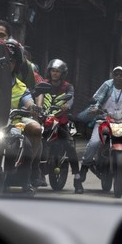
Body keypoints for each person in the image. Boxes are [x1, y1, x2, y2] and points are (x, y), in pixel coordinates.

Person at [77, 65, 122, 182]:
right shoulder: (107, 85)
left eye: (121, 75)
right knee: (94, 142)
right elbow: (98, 99)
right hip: (104, 119)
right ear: (113, 76)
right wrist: (95, 108)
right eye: (116, 74)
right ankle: (84, 167)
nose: (118, 77)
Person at [36, 58, 83, 193]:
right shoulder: (44, 84)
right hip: (45, 119)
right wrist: (38, 107)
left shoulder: (68, 86)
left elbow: (71, 97)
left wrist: (67, 105)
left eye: (57, 71)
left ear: (62, 73)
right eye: (52, 71)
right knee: (36, 142)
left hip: (61, 121)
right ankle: (35, 173)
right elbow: (38, 94)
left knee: (69, 146)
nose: (54, 73)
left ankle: (77, 179)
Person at [5, 39, 45, 189]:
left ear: (16, 64)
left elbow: (28, 101)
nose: (8, 63)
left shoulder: (21, 86)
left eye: (11, 61)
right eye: (5, 60)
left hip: (15, 122)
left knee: (35, 128)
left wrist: (33, 107)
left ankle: (31, 169)